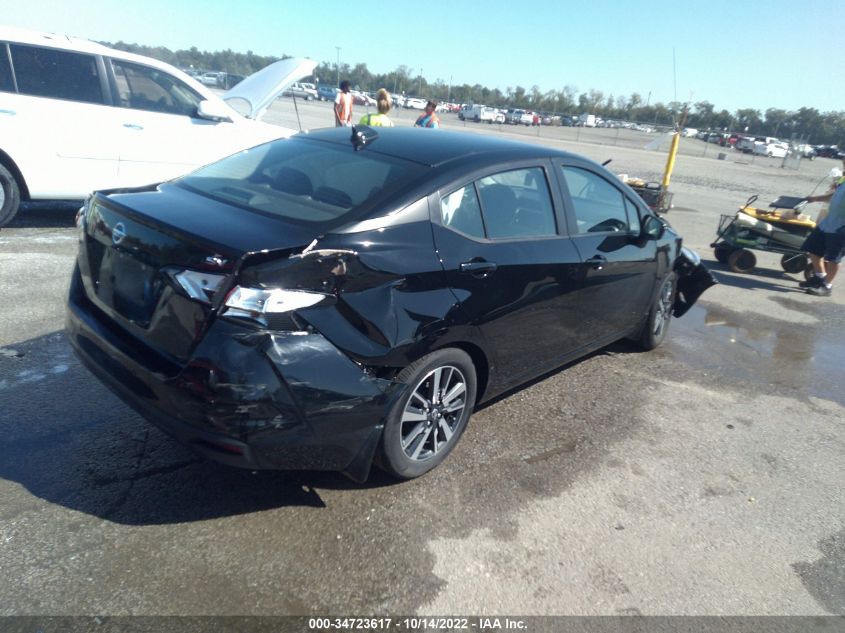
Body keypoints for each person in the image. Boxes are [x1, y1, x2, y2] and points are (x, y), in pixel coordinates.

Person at [799, 159, 845, 297]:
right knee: (813, 248)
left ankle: (827, 286)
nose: (843, 163)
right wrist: (814, 199)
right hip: (828, 223)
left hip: (841, 227)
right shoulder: (843, 179)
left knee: (833, 258)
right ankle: (820, 277)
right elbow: (833, 195)